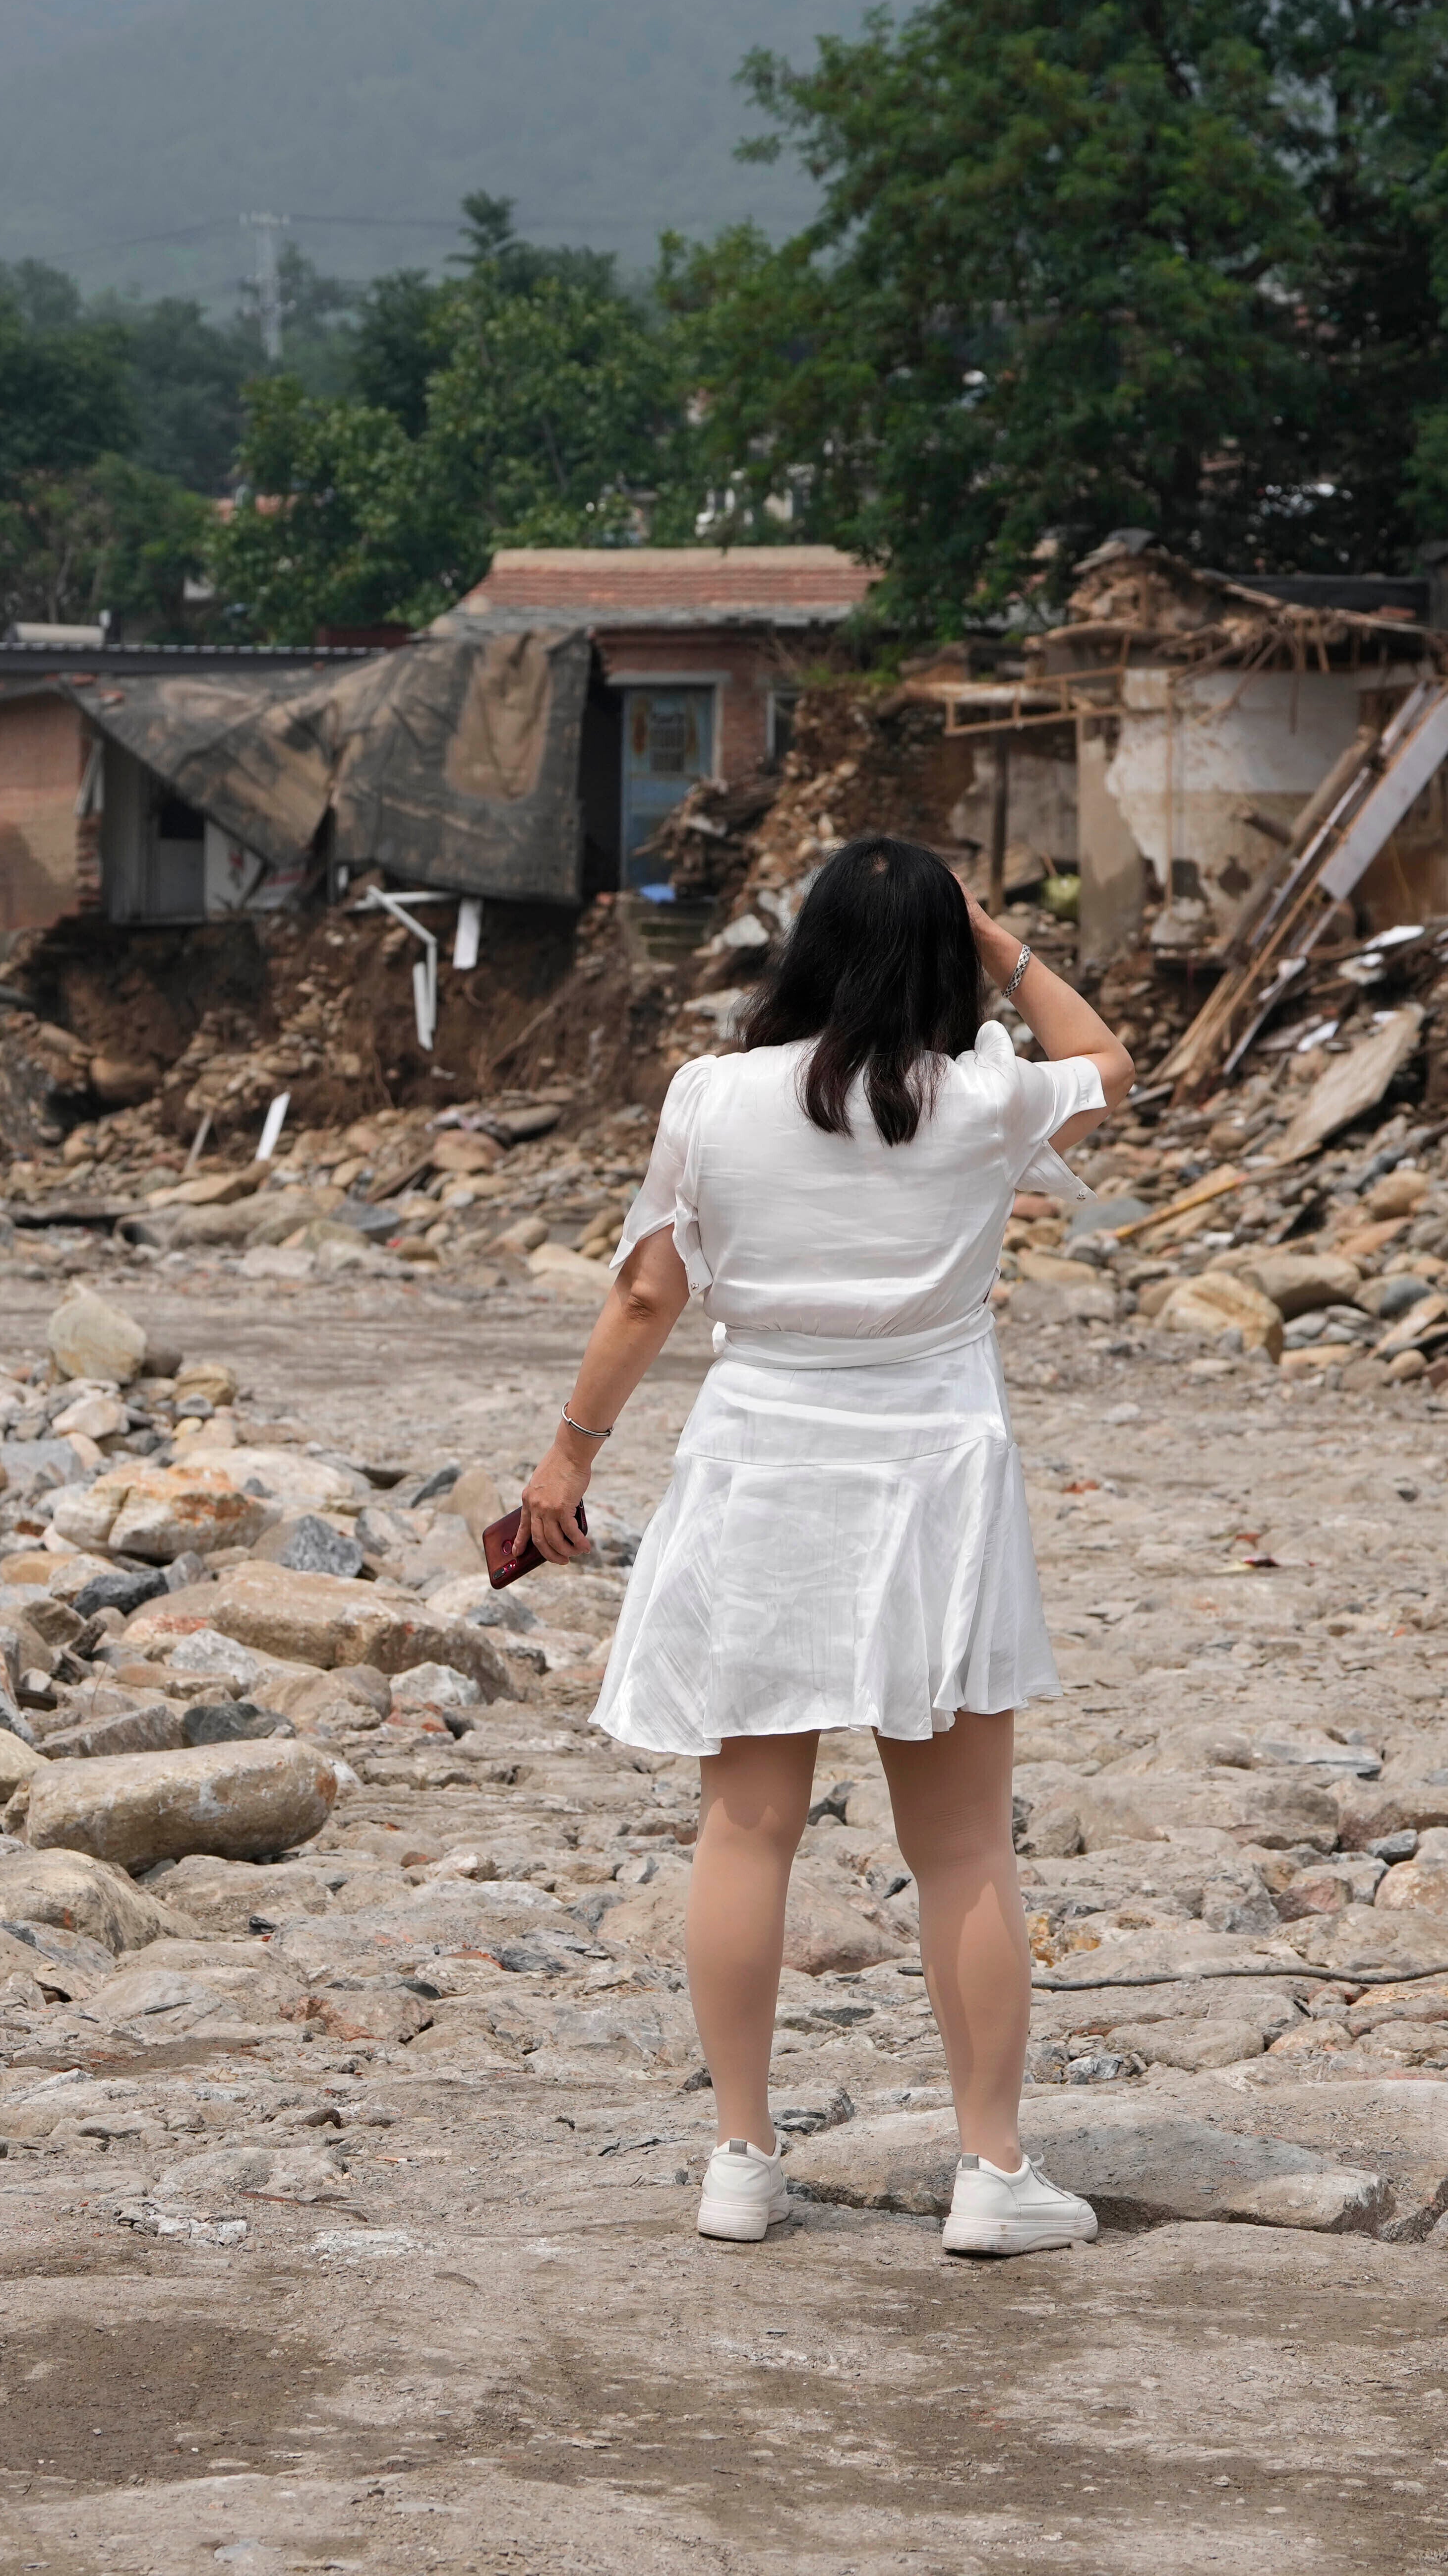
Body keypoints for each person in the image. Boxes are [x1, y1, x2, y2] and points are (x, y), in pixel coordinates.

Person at [517, 836, 1135, 2256]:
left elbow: (644, 1297)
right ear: (943, 952)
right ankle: (991, 2173)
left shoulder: (714, 1096)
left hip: (763, 1463)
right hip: (933, 1475)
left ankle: (740, 2155)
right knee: (966, 1840)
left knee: (747, 1825)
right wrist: (1001, 943)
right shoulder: (984, 1097)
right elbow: (1109, 1061)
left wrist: (569, 1455)